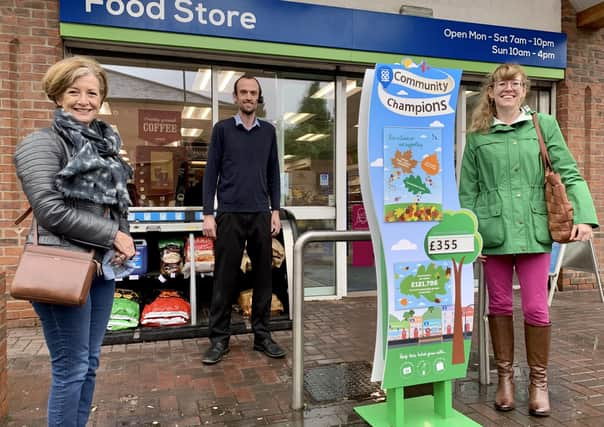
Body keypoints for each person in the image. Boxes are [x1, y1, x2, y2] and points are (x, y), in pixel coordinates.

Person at [459, 63, 598, 417]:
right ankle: (505, 379)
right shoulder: (477, 136)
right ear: (490, 92)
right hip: (493, 235)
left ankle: (538, 382)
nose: (509, 88)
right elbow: (468, 192)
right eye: (501, 83)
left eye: (516, 83)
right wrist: (472, 237)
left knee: (537, 307)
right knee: (499, 306)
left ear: (524, 90)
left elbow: (568, 171)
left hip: (536, 233)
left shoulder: (543, 125)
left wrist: (583, 216)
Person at [13, 56, 136, 426]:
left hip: (100, 270)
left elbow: (113, 204)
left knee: (90, 363)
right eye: (74, 91)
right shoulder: (40, 144)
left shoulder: (104, 146)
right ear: (57, 95)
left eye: (92, 93)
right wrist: (113, 234)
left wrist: (122, 232)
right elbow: (51, 211)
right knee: (71, 367)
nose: (84, 100)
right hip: (60, 268)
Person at [202, 74, 284, 364]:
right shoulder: (222, 130)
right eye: (243, 92)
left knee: (264, 279)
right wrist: (208, 214)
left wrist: (275, 210)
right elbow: (211, 172)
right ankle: (219, 340)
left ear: (258, 99)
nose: (249, 97)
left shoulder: (268, 132)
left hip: (261, 213)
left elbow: (274, 172)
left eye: (253, 93)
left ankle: (262, 337)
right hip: (229, 214)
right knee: (225, 279)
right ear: (235, 97)